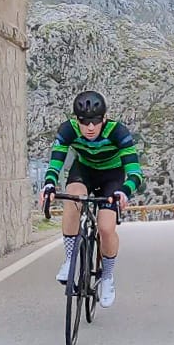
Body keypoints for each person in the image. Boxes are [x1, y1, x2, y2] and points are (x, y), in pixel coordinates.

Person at [40, 90, 143, 308]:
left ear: (104, 118)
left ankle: (107, 277)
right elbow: (55, 163)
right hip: (84, 171)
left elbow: (135, 173)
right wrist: (49, 184)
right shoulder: (68, 130)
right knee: (73, 198)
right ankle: (70, 261)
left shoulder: (118, 132)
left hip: (112, 176)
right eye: (84, 121)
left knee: (106, 227)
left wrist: (124, 191)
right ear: (76, 120)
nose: (89, 127)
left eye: (95, 121)